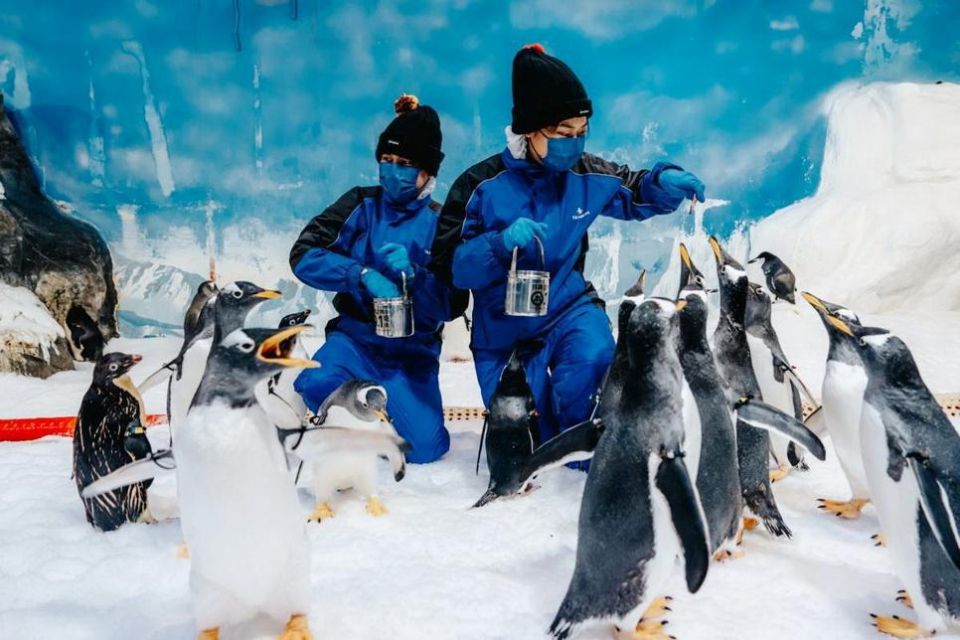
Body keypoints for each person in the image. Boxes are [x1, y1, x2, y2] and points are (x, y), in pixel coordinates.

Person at [430, 44, 706, 452]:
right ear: (530, 130)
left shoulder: (583, 173)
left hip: (567, 309)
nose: (574, 145)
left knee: (594, 388)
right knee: (525, 441)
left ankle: (596, 465)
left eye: (581, 133)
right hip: (503, 331)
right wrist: (499, 245)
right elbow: (452, 269)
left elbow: (632, 186)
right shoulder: (480, 187)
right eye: (563, 135)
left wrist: (662, 183)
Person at [290, 94, 461, 464]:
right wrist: (358, 273)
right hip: (355, 341)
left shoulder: (441, 223)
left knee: (425, 449)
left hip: (410, 354)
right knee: (314, 383)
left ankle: (375, 407)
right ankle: (357, 409)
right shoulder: (360, 205)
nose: (392, 171)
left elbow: (453, 303)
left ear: (427, 172)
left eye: (404, 163)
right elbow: (304, 255)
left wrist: (416, 277)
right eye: (386, 160)